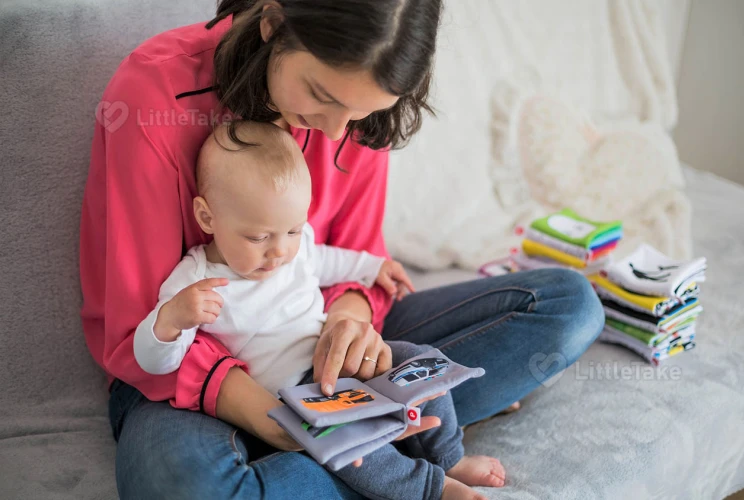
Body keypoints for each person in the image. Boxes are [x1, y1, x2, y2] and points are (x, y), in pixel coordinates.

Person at [80, 1, 604, 498]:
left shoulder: (355, 115)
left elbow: (354, 260)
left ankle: (365, 448)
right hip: (181, 376)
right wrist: (269, 415)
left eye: (361, 111)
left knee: (569, 306)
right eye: (322, 95)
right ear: (273, 22)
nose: (337, 131)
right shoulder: (153, 96)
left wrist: (349, 325)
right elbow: (141, 330)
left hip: (321, 352)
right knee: (182, 488)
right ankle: (388, 458)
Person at [131, 120, 504, 499]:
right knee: (352, 445)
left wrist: (372, 267)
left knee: (424, 362)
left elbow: (326, 261)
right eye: (258, 237)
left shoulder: (293, 245)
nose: (280, 251)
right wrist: (171, 321)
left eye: (293, 231)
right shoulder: (196, 279)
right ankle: (430, 489)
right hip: (296, 395)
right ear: (207, 217)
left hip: (339, 358)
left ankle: (449, 456)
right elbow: (154, 362)